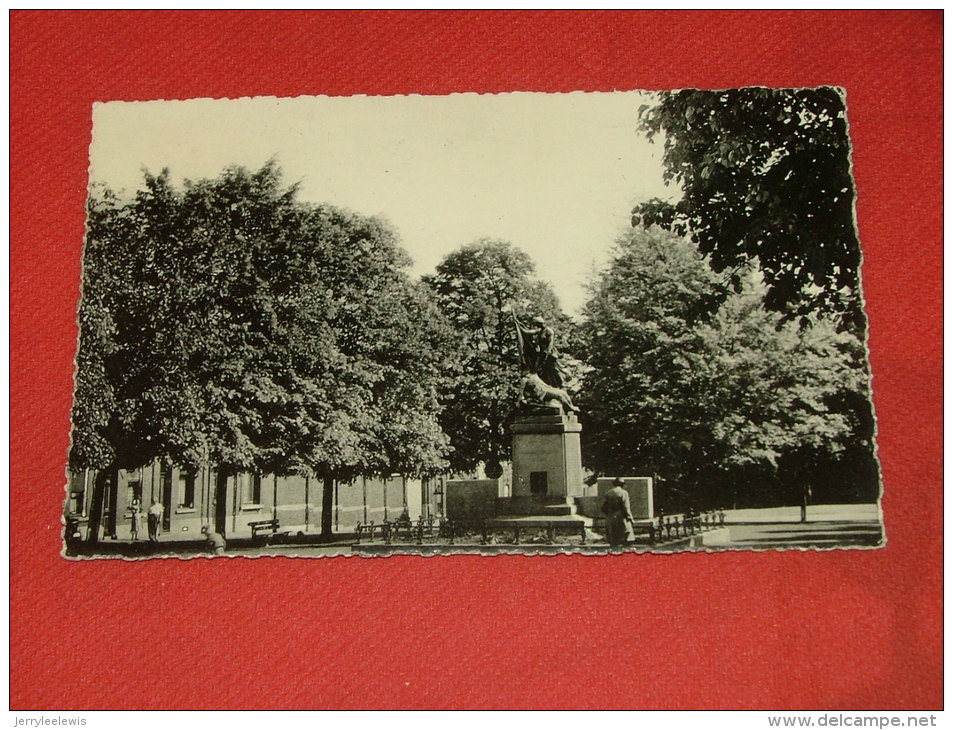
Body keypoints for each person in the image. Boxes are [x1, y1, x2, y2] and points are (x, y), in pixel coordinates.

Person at [602, 478, 635, 548]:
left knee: (613, 541)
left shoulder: (608, 493)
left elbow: (603, 508)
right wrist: (630, 518)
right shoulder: (624, 493)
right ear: (622, 484)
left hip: (611, 517)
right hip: (621, 518)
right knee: (627, 539)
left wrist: (609, 515)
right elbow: (626, 507)